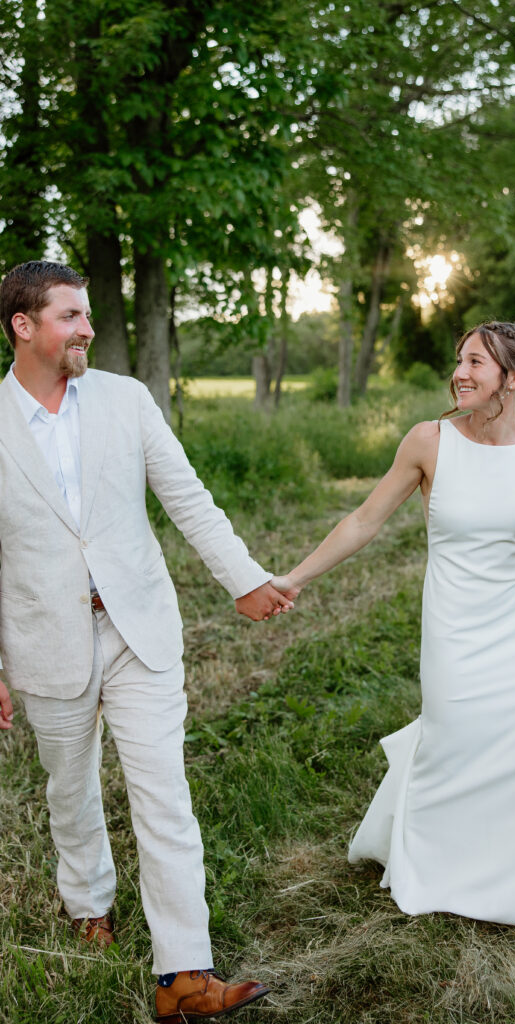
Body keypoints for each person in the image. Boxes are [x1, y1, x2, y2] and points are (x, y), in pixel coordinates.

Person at [272, 321, 515, 988]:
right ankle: (442, 870)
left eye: (474, 362)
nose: (458, 373)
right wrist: (293, 576)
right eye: (458, 360)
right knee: (454, 744)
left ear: (513, 379)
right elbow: (364, 521)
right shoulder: (428, 441)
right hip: (454, 632)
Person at [0, 261, 295, 1022]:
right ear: (23, 326)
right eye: (69, 316)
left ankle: (184, 975)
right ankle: (87, 900)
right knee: (71, 791)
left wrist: (244, 578)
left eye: (88, 314)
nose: (87, 329)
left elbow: (188, 498)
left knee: (164, 794)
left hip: (139, 630)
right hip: (42, 639)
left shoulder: (126, 401)